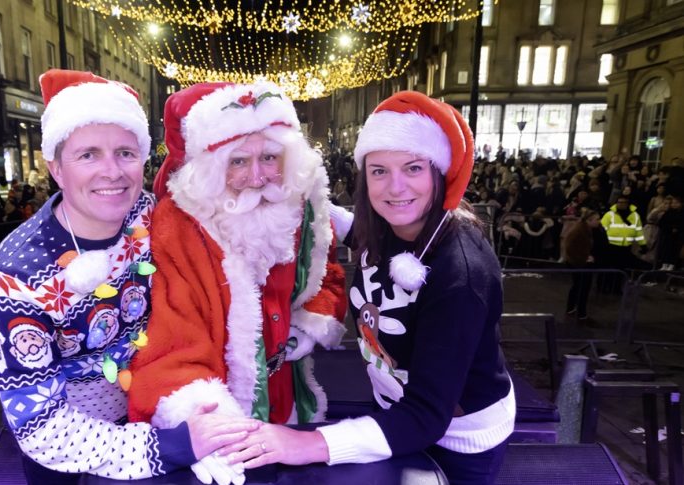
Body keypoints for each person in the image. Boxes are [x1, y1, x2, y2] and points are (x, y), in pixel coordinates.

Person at [217, 91, 515, 484]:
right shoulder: (388, 226)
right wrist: (284, 189)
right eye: (379, 171)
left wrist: (306, 443)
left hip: (457, 439)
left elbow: (427, 415)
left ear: (439, 172)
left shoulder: (459, 274)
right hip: (394, 416)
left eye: (412, 168)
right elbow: (345, 223)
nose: (394, 188)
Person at [0, 70, 257, 484]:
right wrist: (178, 445)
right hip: (75, 457)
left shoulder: (150, 213)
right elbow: (40, 429)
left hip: (159, 411)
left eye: (126, 153)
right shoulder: (18, 276)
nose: (112, 172)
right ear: (56, 168)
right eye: (88, 154)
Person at [128, 81, 347, 467]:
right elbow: (171, 336)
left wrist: (311, 320)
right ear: (213, 168)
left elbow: (326, 272)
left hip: (291, 396)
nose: (258, 177)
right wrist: (209, 424)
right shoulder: (180, 226)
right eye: (239, 161)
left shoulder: (303, 207)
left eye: (269, 158)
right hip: (223, 402)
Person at [563, 208, 602, 320]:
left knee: (578, 286)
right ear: (589, 220)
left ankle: (572, 308)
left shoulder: (587, 229)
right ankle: (581, 312)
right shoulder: (580, 230)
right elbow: (570, 247)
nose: (599, 221)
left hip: (579, 262)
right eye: (597, 219)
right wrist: (585, 257)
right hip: (579, 263)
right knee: (582, 287)